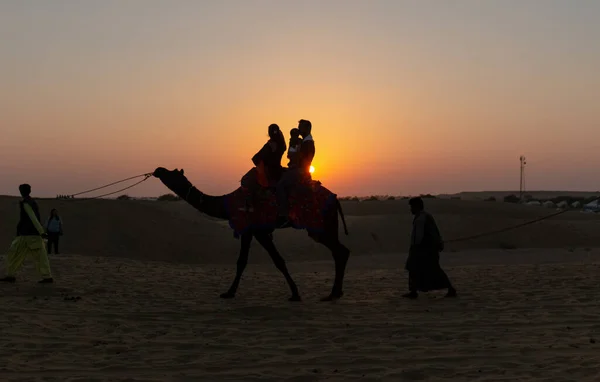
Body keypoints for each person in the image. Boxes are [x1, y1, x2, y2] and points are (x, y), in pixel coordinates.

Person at [403, 197, 456, 299]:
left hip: (425, 250)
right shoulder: (424, 216)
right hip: (427, 249)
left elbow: (419, 237)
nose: (411, 209)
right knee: (416, 269)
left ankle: (450, 289)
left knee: (430, 269)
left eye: (412, 207)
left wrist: (415, 248)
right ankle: (413, 291)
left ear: (417, 206)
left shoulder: (421, 219)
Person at [0, 184, 53, 283]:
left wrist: (41, 231)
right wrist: (40, 232)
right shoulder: (32, 202)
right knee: (41, 257)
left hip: (27, 235)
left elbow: (33, 218)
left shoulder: (26, 203)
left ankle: (10, 275)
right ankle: (47, 276)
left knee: (14, 254)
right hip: (32, 235)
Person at [276, 119, 315, 226]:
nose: (298, 129)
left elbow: (302, 159)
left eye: (300, 127)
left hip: (300, 171)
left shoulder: (307, 143)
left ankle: (284, 215)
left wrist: (295, 161)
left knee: (280, 186)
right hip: (298, 169)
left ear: (307, 128)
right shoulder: (303, 142)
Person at [241, 124, 286, 211]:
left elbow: (256, 158)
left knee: (245, 180)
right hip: (277, 170)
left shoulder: (270, 145)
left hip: (268, 171)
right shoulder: (282, 144)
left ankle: (250, 205)